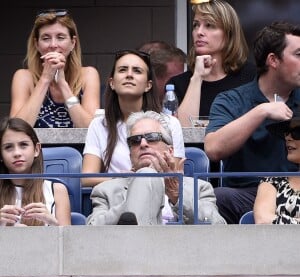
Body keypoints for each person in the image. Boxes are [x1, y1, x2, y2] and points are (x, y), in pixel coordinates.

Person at [204, 21, 300, 224]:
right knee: (217, 197)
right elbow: (213, 149)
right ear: (273, 60)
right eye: (298, 55)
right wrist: (261, 111)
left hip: (296, 189)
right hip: (247, 193)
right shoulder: (231, 100)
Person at [87, 110, 225, 225]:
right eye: (135, 140)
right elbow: (91, 231)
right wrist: (132, 199)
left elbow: (217, 227)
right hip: (129, 253)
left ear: (170, 151)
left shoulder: (199, 188)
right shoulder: (106, 190)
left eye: (152, 137)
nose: (143, 143)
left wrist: (178, 197)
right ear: (130, 155)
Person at [81, 49, 185, 187]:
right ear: (111, 82)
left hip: (160, 198)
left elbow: (175, 176)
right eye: (123, 70)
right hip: (117, 200)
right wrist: (128, 180)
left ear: (148, 85)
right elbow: (87, 179)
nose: (129, 75)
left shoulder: (170, 123)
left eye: (137, 71)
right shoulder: (99, 124)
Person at [168, 0, 256, 127]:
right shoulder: (178, 84)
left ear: (229, 33)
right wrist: (197, 78)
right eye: (196, 25)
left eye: (209, 25)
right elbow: (184, 133)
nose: (199, 32)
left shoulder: (251, 76)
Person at [10, 9, 100, 128]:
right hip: (39, 147)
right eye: (46, 38)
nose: (53, 45)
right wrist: (45, 79)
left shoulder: (88, 75)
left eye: (60, 37)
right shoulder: (23, 77)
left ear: (73, 43)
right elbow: (17, 129)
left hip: (79, 147)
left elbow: (91, 129)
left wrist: (62, 84)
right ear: (37, 44)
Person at [0, 117, 71, 226]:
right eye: (9, 147)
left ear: (36, 150)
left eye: (23, 145)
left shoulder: (57, 190)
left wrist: (52, 222)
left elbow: (68, 240)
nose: (17, 153)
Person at [254, 114, 300, 224]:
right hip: (278, 241)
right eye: (286, 133)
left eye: (297, 133)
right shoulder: (273, 181)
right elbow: (263, 220)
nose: (288, 138)